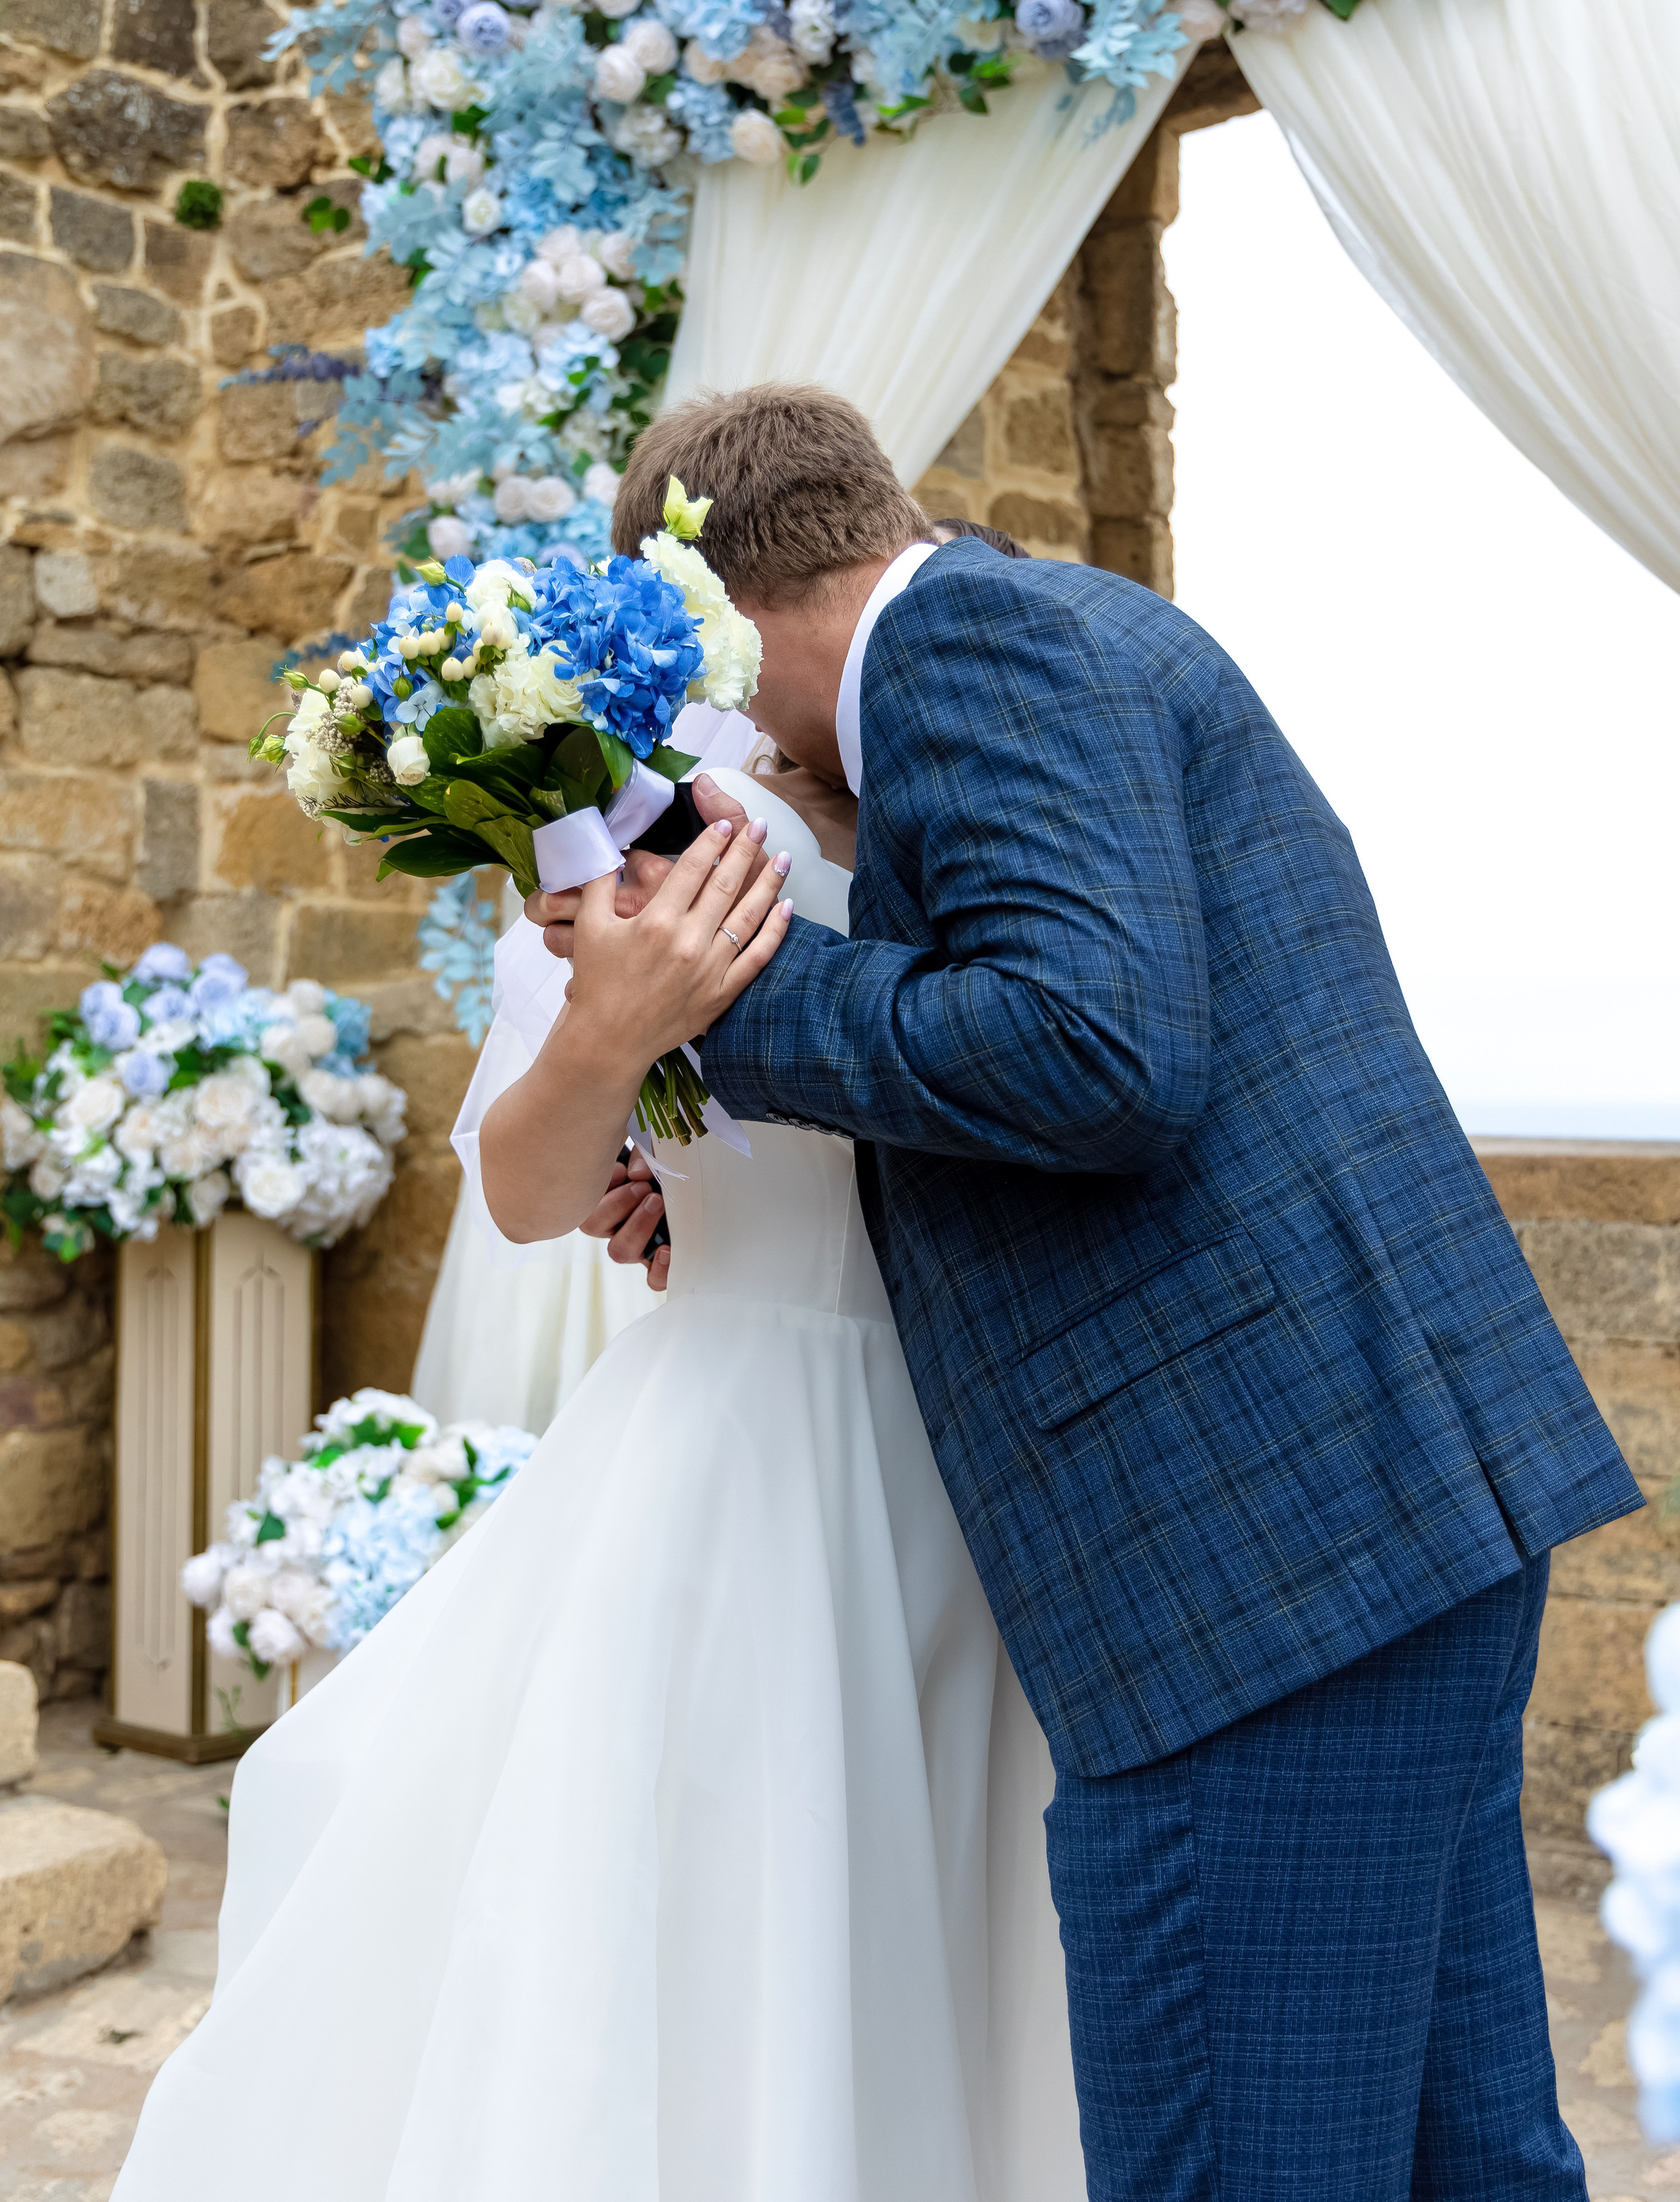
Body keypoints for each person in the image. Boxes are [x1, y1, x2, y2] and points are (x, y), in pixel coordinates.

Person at [536, 381, 1643, 2202]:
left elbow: (1097, 1050)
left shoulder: (964, 645)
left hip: (1252, 1559)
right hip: (1378, 1518)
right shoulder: (1076, 623)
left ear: (724, 614)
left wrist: (713, 1010)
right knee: (1469, 2162)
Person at [111, 784, 1087, 2201]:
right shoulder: (609, 859)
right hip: (743, 1433)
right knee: (717, 1879)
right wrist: (612, 1036)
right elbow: (522, 1191)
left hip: (969, 1444)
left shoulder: (953, 791)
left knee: (946, 1888)